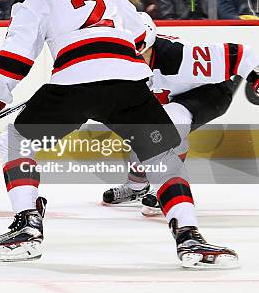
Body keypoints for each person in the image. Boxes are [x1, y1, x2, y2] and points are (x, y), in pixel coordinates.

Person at [0, 0, 238, 268]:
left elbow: (15, 57)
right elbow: (142, 36)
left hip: (73, 85)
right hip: (128, 81)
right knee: (163, 156)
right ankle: (189, 236)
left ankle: (28, 226)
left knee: (15, 139)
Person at [103, 13, 259, 215]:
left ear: (148, 43)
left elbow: (241, 54)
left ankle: (169, 188)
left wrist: (256, 77)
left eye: (136, 50)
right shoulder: (116, 63)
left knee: (169, 123)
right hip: (169, 98)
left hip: (209, 91)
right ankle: (136, 186)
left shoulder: (179, 56)